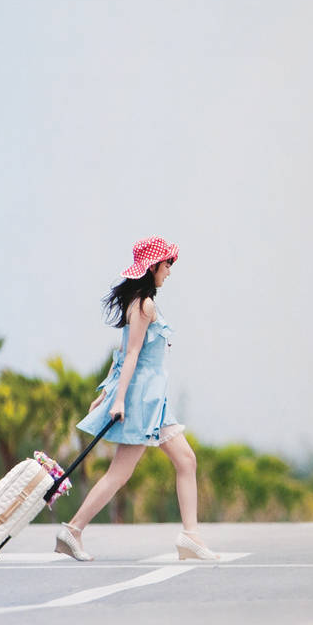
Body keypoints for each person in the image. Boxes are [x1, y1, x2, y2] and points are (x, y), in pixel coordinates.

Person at [54, 236, 220, 561]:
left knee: (186, 461)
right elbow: (130, 355)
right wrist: (116, 401)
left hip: (154, 402)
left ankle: (190, 537)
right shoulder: (144, 305)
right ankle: (72, 531)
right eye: (167, 264)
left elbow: (120, 356)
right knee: (120, 473)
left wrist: (107, 392)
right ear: (153, 266)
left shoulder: (139, 303)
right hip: (142, 402)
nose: (169, 271)